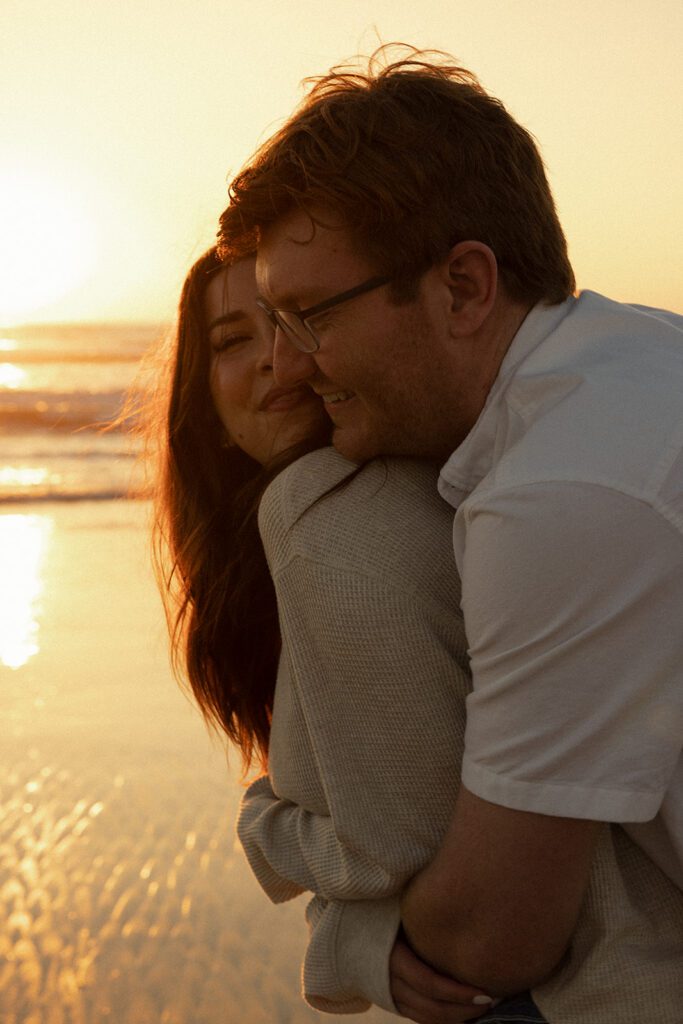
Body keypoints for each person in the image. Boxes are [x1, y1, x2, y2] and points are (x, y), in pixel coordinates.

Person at [217, 45, 683, 1020]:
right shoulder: (633, 365)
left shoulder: (557, 491)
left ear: (463, 287)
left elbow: (492, 936)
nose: (290, 370)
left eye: (308, 318)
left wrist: (332, 918)